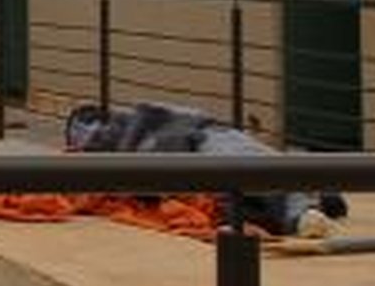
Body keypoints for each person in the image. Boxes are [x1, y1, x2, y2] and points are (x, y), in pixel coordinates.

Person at [62, 100, 345, 235]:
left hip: (201, 139)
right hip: (192, 155)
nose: (85, 138)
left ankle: (303, 207)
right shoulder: (107, 144)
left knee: (247, 165)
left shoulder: (137, 119)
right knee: (236, 197)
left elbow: (175, 123)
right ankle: (307, 204)